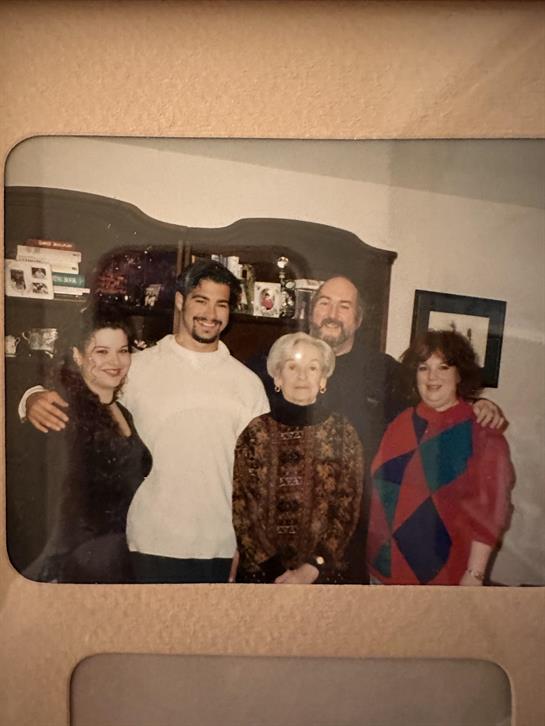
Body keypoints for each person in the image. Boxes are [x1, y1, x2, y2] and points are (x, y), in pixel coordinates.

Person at [21, 259, 270, 584]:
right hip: (144, 542)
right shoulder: (134, 367)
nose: (211, 313)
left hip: (218, 546)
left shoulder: (248, 384)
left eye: (221, 304)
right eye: (201, 300)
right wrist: (31, 396)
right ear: (180, 301)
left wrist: (245, 547)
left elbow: (256, 479)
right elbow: (79, 389)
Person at [250, 275, 506, 583]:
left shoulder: (384, 372)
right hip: (280, 534)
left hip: (353, 542)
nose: (333, 313)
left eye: (345, 306)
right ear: (310, 311)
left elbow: (436, 399)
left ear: (358, 320)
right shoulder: (272, 364)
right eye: (325, 303)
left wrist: (478, 405)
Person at [367, 330, 514, 585]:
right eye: (423, 367)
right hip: (378, 572)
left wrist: (475, 574)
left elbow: (491, 512)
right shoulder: (400, 422)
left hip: (440, 580)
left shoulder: (482, 432)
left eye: (443, 367)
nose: (432, 376)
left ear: (459, 375)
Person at [24, 306, 152, 583]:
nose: (115, 361)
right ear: (77, 355)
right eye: (101, 351)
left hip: (114, 554)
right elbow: (51, 503)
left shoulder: (120, 409)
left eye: (123, 350)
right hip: (77, 562)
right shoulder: (63, 412)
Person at [233, 333, 363, 584]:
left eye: (312, 368)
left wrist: (311, 568)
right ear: (278, 376)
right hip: (264, 577)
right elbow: (243, 509)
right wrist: (276, 572)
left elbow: (347, 510)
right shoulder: (255, 433)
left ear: (323, 378)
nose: (302, 376)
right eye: (292, 367)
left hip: (322, 576)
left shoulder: (343, 433)